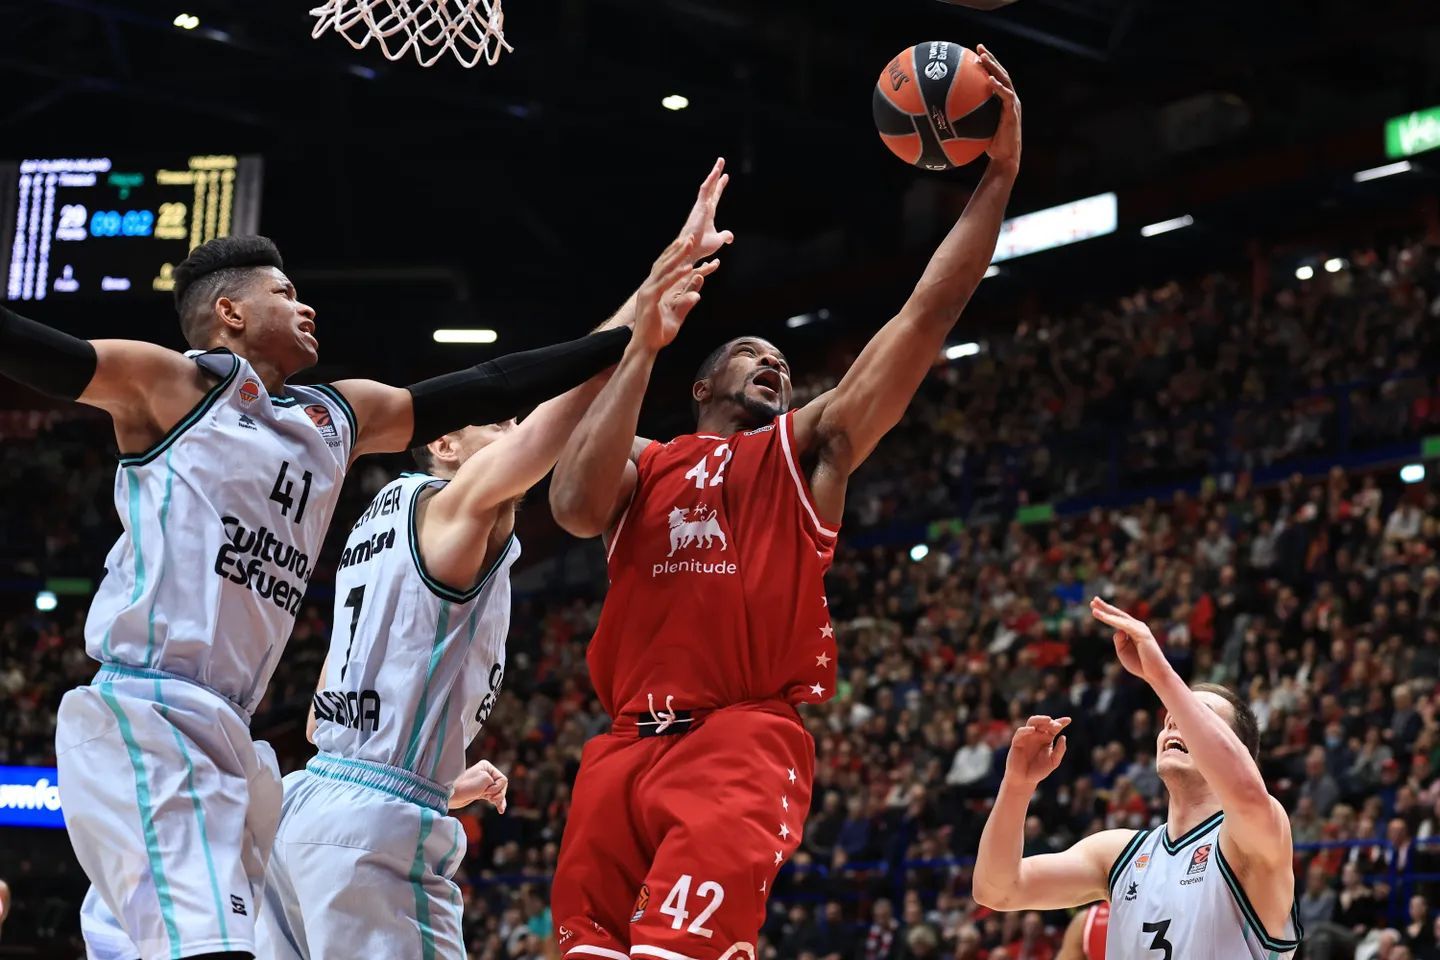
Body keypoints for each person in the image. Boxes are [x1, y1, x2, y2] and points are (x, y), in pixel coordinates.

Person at [0, 233, 636, 960]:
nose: (306, 307)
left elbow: (488, 383)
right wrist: (633, 333)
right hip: (150, 712)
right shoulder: (168, 385)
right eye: (284, 294)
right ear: (230, 312)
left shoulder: (336, 418)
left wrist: (623, 336)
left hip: (232, 736)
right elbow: (36, 351)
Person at [546, 46, 1022, 960]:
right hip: (617, 750)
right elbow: (572, 503)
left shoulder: (810, 450)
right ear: (702, 383)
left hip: (736, 742)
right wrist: (641, 343)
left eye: (784, 361)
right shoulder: (646, 463)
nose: (774, 364)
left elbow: (924, 315)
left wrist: (995, 180)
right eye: (752, 352)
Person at [254, 185, 724, 959]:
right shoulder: (452, 504)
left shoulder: (378, 521)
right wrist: (642, 319)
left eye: (506, 423)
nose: (508, 429)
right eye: (491, 424)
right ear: (442, 445)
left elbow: (319, 719)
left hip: (311, 806)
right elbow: (548, 426)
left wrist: (428, 771)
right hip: (373, 832)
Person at [973, 598, 1302, 959]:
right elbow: (996, 888)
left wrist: (1159, 674)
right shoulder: (1120, 855)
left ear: (1236, 749)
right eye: (1170, 718)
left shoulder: (1256, 838)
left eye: (1197, 714)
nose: (1174, 719)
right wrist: (1017, 786)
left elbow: (1245, 791)